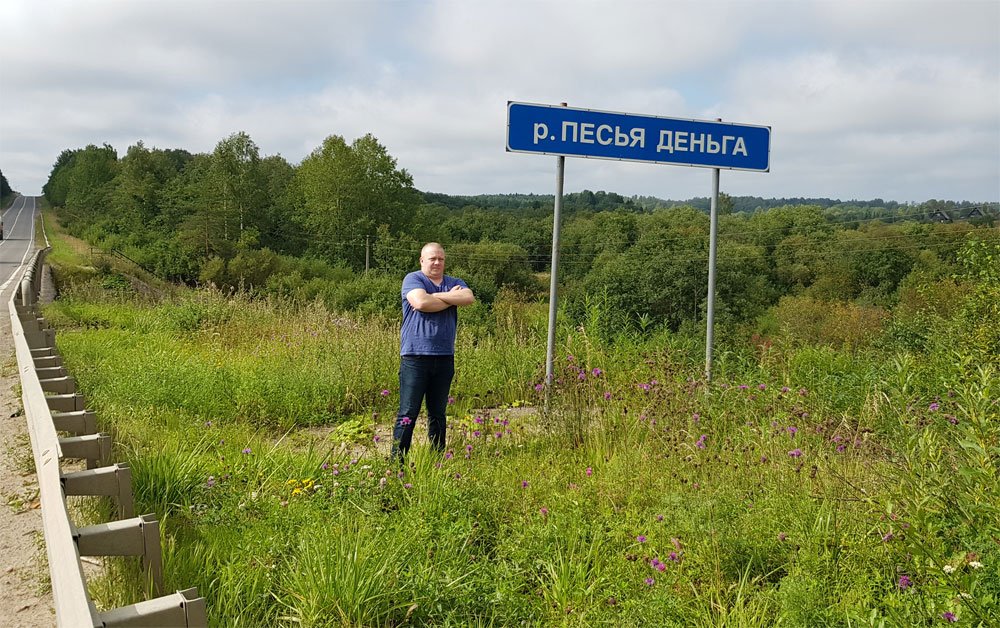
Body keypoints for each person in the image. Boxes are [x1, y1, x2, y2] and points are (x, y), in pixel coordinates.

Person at [392, 242, 475, 459]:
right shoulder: (413, 279)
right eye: (432, 259)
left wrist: (435, 297)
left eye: (441, 259)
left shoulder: (454, 282)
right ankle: (397, 462)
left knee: (438, 413)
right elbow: (420, 303)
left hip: (444, 356)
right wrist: (449, 298)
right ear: (422, 261)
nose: (437, 262)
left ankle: (437, 460)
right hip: (415, 356)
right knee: (408, 413)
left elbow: (468, 298)